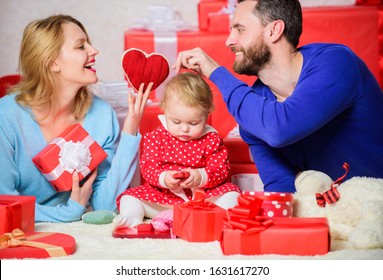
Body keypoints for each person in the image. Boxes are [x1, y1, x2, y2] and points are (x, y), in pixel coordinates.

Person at [173, 0, 383, 192]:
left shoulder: (336, 62)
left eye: (240, 29)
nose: (229, 41)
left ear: (274, 30)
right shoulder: (253, 110)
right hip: (328, 216)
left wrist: (215, 73)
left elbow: (281, 127)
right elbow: (280, 186)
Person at [0, 14, 153, 222]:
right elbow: (6, 201)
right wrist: (67, 212)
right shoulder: (7, 116)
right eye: (81, 46)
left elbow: (104, 205)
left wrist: (130, 133)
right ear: (53, 62)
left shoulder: (101, 115)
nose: (94, 51)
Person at [114, 72, 240, 228]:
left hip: (203, 200)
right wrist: (164, 178)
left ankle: (217, 219)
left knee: (232, 195)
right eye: (176, 121)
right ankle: (132, 219)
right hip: (163, 199)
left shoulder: (211, 139)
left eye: (194, 123)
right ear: (164, 110)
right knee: (129, 198)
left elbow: (220, 169)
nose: (184, 129)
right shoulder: (156, 137)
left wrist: (200, 176)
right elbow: (148, 168)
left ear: (207, 113)